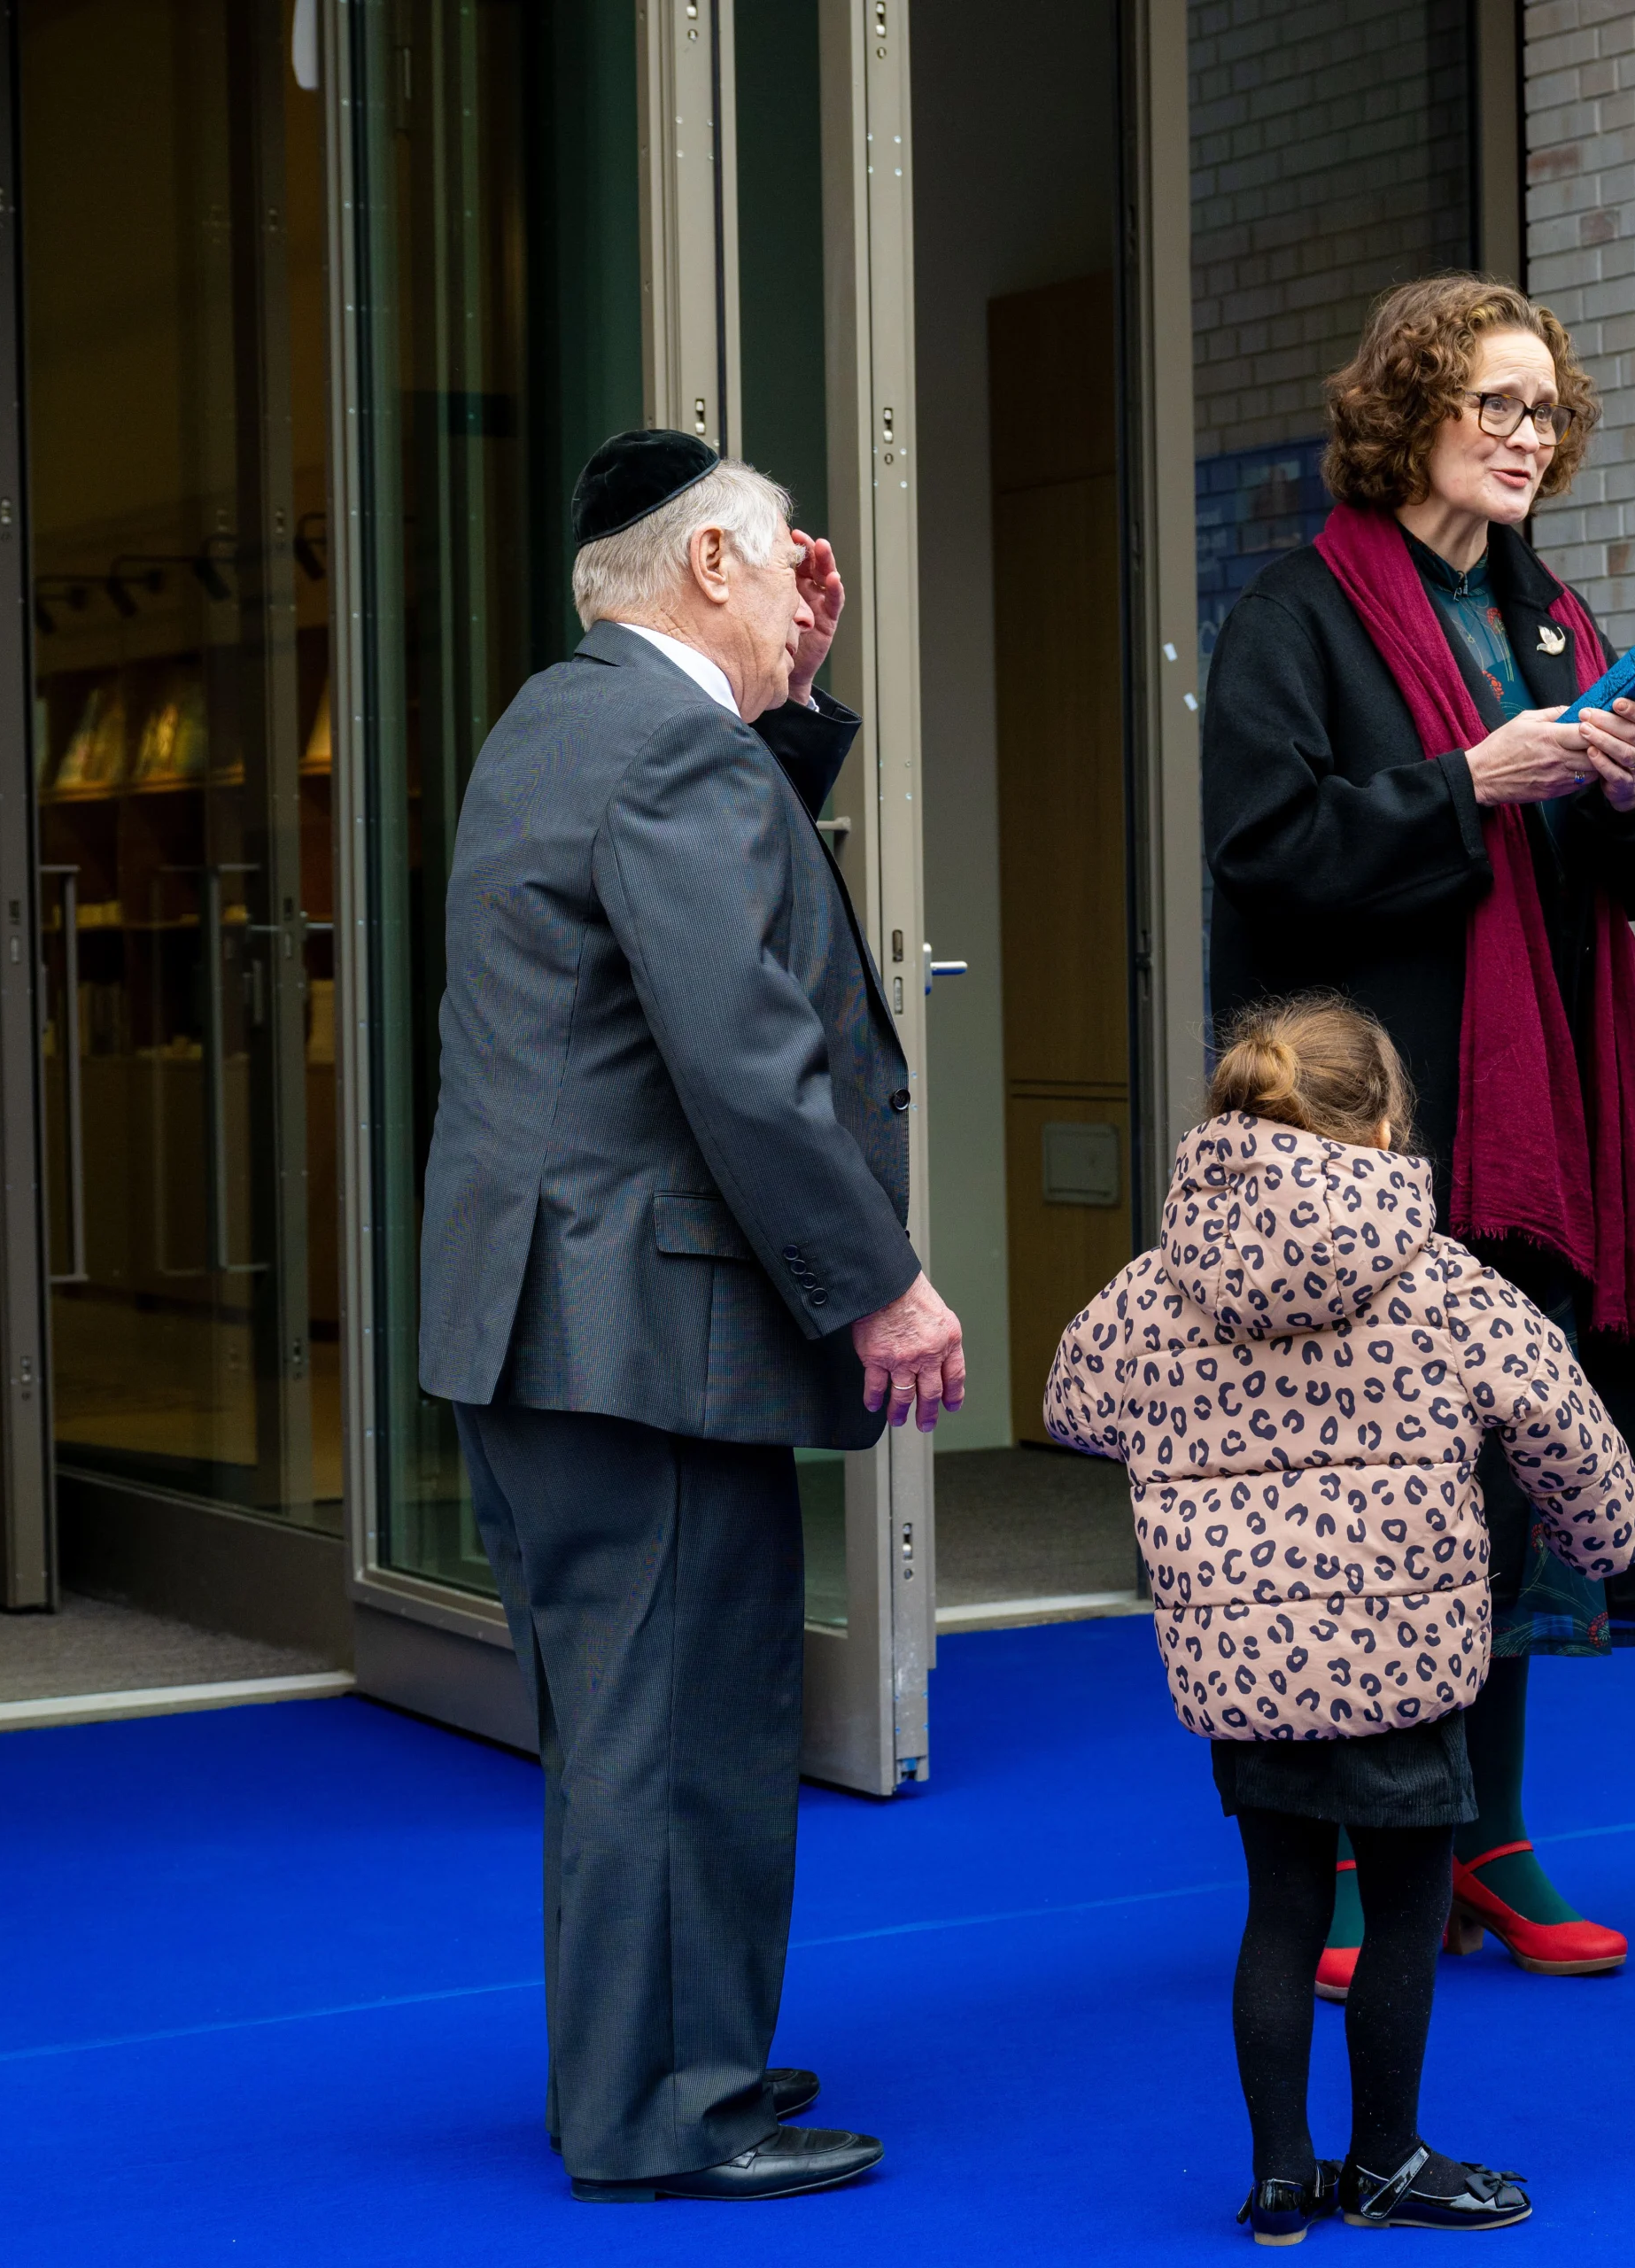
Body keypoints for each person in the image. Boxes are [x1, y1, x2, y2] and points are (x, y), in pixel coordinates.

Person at [418, 431, 970, 2202]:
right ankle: (669, 2103)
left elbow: (704, 899)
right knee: (680, 1729)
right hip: (640, 1334)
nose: (806, 580)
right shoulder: (671, 752)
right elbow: (748, 1059)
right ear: (711, 568)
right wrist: (879, 1280)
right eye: (778, 552)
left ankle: (665, 2045)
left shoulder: (564, 720)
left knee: (629, 1724)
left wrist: (790, 707)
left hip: (541, 1323)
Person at [1201, 275, 1635, 1995]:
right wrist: (1466, 785)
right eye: (1493, 405)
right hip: (1365, 1135)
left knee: (1492, 1489)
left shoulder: (1552, 614)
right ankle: (1333, 1849)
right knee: (1357, 1512)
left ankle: (1484, 1832)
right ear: (1409, 410)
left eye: (1546, 411)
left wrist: (1632, 782)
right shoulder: (1300, 613)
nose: (1524, 437)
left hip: (1533, 1131)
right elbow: (1267, 846)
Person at [1043, 996, 1635, 2239]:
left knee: (1279, 1911)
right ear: (1383, 1126)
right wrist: (1611, 1546)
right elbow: (1564, 1431)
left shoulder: (1159, 1283)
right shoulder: (1439, 1277)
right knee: (1407, 1913)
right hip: (1404, 1664)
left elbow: (1072, 1401)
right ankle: (1385, 2162)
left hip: (1247, 1667)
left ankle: (1278, 2177)